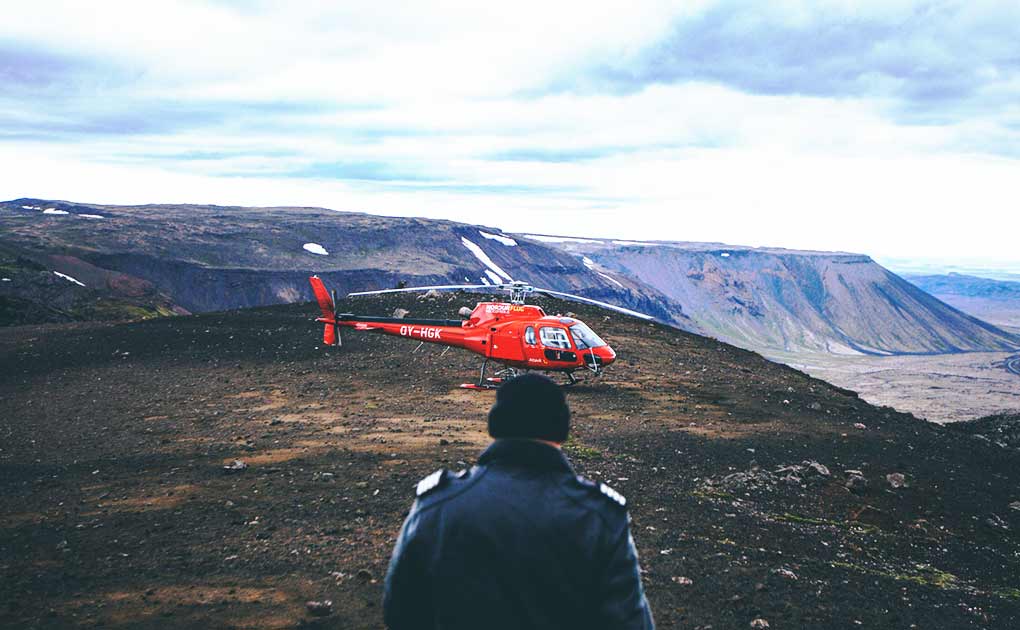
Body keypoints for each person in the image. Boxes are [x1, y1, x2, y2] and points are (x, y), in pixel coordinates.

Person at [383, 372, 654, 629]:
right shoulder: (600, 515)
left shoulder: (438, 502)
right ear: (561, 427)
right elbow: (629, 623)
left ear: (496, 424)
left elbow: (401, 612)